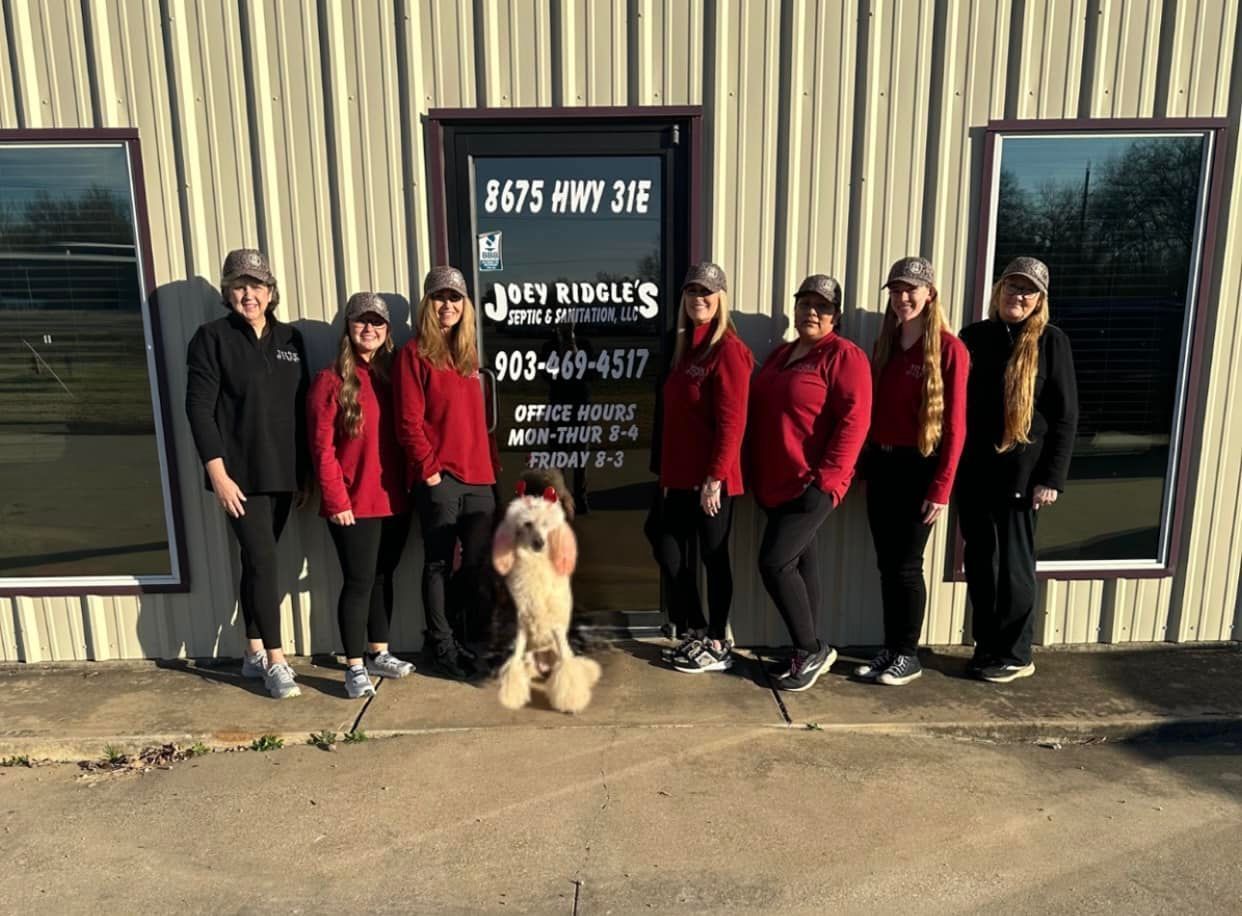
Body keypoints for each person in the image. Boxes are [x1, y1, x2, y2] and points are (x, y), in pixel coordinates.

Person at [185, 248, 308, 699]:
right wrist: (217, 473)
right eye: (239, 285)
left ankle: (252, 651)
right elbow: (198, 409)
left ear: (271, 292)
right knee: (264, 561)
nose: (248, 293)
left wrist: (305, 474)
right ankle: (276, 660)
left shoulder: (291, 340)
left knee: (257, 561)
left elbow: (301, 410)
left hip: (283, 473)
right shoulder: (211, 338)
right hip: (239, 477)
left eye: (256, 285)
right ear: (226, 292)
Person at [748, 274, 872, 691]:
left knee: (774, 562)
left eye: (822, 307)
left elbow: (854, 422)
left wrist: (827, 481)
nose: (811, 312)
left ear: (836, 315)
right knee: (801, 562)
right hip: (775, 481)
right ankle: (806, 649)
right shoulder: (783, 354)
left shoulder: (843, 357)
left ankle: (811, 647)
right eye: (805, 304)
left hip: (812, 483)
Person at [958, 257, 1078, 683]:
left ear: (1040, 300)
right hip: (974, 472)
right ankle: (987, 646)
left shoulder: (1050, 342)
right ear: (999, 290)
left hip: (1022, 476)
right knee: (980, 563)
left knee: (1013, 568)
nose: (1018, 296)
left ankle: (1015, 652)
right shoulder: (974, 337)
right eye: (1013, 287)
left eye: (1028, 290)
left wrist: (1051, 478)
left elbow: (1065, 416)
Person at [856, 257, 968, 686]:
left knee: (906, 565)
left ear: (929, 294)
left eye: (911, 290)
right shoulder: (885, 346)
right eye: (896, 291)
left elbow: (957, 428)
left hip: (919, 468)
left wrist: (941, 488)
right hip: (882, 466)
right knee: (887, 565)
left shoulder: (949, 349)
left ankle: (908, 653)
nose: (903, 299)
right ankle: (890, 648)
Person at [307, 292, 414, 698]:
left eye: (377, 323)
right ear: (349, 328)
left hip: (395, 501)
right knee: (358, 582)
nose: (368, 329)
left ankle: (378, 651)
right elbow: (321, 448)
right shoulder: (330, 380)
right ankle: (353, 665)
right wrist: (336, 500)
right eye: (361, 322)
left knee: (383, 577)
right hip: (353, 504)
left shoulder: (392, 377)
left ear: (387, 333)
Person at [393, 266, 497, 679]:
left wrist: (491, 471)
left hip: (479, 478)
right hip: (441, 479)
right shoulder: (414, 353)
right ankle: (441, 644)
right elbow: (408, 422)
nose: (448, 305)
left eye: (455, 298)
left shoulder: (468, 354)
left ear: (465, 305)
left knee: (475, 564)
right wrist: (431, 472)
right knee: (437, 564)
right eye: (440, 298)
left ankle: (465, 639)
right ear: (427, 304)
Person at [652, 262, 753, 673]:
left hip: (713, 480)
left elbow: (733, 421)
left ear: (720, 299)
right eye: (693, 291)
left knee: (713, 557)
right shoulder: (684, 347)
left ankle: (716, 640)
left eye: (707, 292)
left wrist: (715, 477)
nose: (699, 299)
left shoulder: (729, 350)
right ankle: (695, 628)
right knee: (665, 543)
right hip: (678, 477)